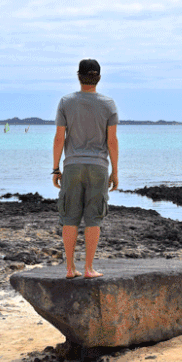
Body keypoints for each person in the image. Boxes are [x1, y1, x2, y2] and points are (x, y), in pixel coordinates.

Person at [52, 58, 119, 279]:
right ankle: (89, 268)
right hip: (98, 167)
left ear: (79, 76)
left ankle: (71, 269)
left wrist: (55, 169)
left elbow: (59, 138)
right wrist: (115, 172)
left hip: (72, 166)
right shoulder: (108, 104)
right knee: (94, 218)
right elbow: (112, 142)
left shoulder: (65, 102)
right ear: (98, 78)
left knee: (69, 218)